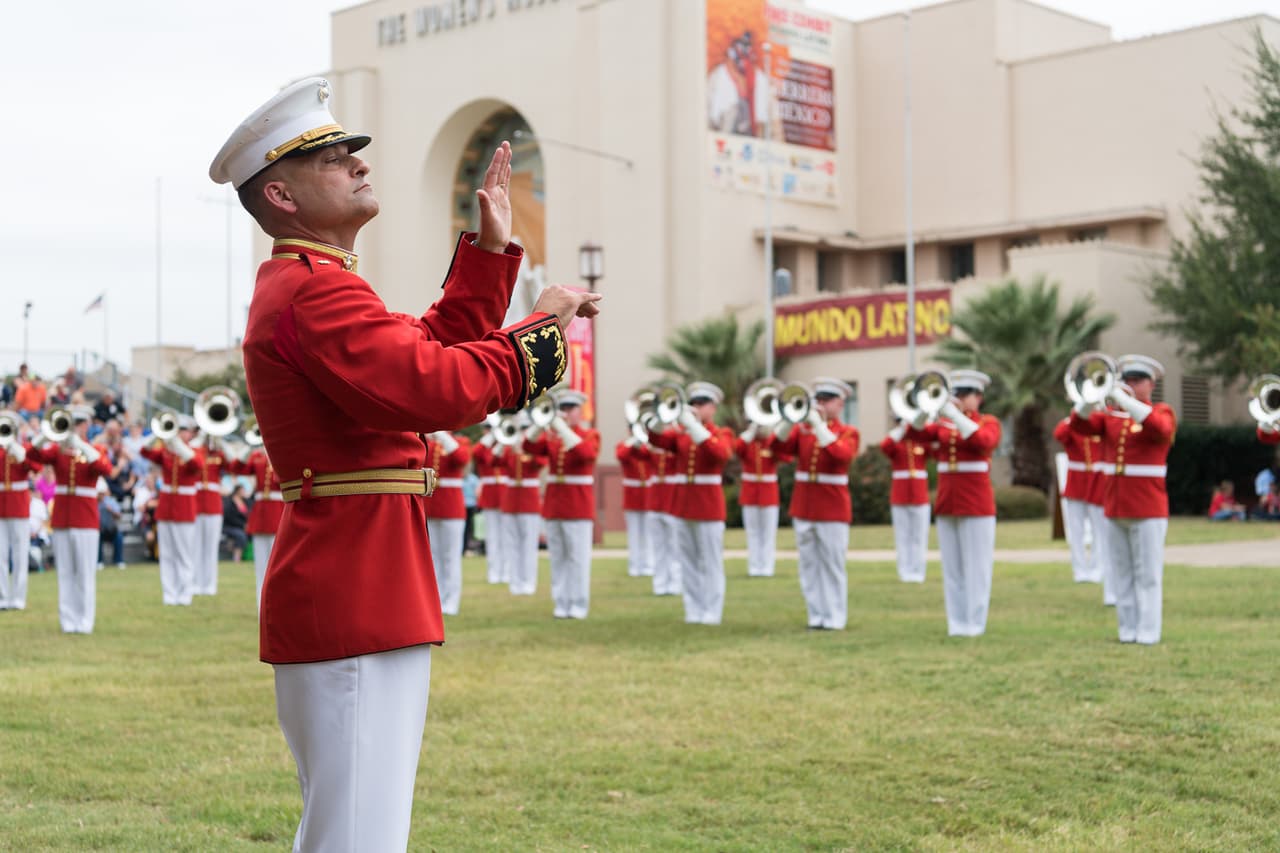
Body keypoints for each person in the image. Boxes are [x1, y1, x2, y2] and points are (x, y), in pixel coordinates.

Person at [210, 76, 597, 851]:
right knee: (359, 836)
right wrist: (544, 330)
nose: (356, 162)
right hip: (355, 583)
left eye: (352, 149)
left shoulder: (318, 283)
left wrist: (489, 256)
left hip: (362, 575)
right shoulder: (310, 292)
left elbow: (423, 350)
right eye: (330, 156)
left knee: (356, 829)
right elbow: (436, 387)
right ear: (280, 195)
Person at [1070, 354, 1176, 645]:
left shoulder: (1161, 412)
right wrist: (1091, 395)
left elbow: (1161, 430)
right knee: (1121, 572)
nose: (1130, 384)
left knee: (1148, 574)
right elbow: (1076, 427)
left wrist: (1125, 400)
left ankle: (1148, 631)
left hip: (1148, 508)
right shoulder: (1109, 418)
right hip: (1115, 505)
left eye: (1137, 380)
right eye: (1126, 379)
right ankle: (1127, 630)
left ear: (1151, 384)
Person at [908, 370, 1002, 637]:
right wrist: (928, 407)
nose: (959, 399)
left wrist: (953, 414)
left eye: (964, 395)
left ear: (979, 397)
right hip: (948, 503)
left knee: (977, 569)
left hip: (976, 504)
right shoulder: (942, 425)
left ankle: (975, 623)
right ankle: (957, 623)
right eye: (955, 394)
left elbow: (984, 441)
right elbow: (912, 434)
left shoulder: (987, 422)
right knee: (953, 569)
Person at [774, 378, 860, 629]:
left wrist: (819, 426)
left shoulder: (847, 432)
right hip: (805, 505)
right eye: (818, 400)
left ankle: (834, 617)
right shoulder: (803, 431)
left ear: (840, 403)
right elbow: (776, 447)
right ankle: (816, 616)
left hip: (832, 507)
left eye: (827, 400)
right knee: (809, 565)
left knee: (832, 565)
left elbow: (841, 456)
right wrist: (791, 420)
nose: (821, 404)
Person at [649, 382, 733, 625]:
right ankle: (694, 610)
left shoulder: (721, 433)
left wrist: (693, 424)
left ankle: (712, 611)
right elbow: (656, 438)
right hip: (683, 505)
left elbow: (720, 455)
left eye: (701, 404)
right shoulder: (681, 435)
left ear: (713, 408)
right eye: (693, 403)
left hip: (708, 507)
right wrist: (660, 414)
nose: (696, 408)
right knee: (688, 562)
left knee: (711, 562)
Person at [30, 406, 112, 633]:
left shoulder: (94, 449)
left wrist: (80, 444)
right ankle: (68, 621)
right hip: (62, 519)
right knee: (65, 572)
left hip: (85, 520)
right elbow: (31, 454)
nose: (74, 427)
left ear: (86, 425)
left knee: (85, 573)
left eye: (78, 423)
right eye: (71, 423)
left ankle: (85, 621)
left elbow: (105, 467)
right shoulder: (58, 452)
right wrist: (48, 434)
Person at [525, 390, 600, 620]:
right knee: (558, 557)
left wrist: (561, 427)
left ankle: (578, 605)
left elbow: (586, 455)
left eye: (570, 409)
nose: (566, 413)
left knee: (577, 559)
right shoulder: (553, 438)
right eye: (563, 408)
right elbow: (528, 445)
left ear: (580, 411)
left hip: (577, 506)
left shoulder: (590, 435)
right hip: (555, 505)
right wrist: (541, 423)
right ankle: (561, 603)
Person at [140, 417, 201, 606]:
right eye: (178, 429)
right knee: (167, 553)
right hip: (166, 507)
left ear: (190, 433)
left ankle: (185, 592)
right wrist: (158, 434)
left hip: (184, 507)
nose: (180, 433)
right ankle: (169, 593)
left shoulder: (194, 451)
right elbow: (144, 450)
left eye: (184, 430)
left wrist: (177, 444)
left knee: (184, 553)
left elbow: (197, 465)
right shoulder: (166, 451)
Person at [226, 444, 283, 612]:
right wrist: (248, 448)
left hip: (278, 510)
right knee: (260, 566)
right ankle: (261, 605)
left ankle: (277, 605)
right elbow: (236, 468)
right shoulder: (257, 456)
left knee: (277, 564)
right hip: (261, 514)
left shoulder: (282, 452)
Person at [422, 430, 472, 616]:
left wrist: (441, 433)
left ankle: (451, 602)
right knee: (433, 557)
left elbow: (462, 459)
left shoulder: (459, 441)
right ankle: (436, 600)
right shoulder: (428, 443)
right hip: (430, 506)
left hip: (452, 508)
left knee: (450, 558)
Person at [734, 416, 790, 578]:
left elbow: (786, 457)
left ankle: (767, 567)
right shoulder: (748, 442)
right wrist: (750, 431)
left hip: (768, 492)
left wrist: (773, 435)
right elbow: (736, 449)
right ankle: (754, 567)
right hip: (750, 492)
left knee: (768, 533)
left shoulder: (771, 443)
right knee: (752, 532)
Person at [1052, 415, 1104, 583]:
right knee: (1076, 532)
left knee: (1099, 531)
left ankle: (1097, 569)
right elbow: (1059, 434)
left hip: (1097, 483)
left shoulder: (1100, 422)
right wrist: (1075, 417)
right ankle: (1080, 570)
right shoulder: (1071, 424)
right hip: (1076, 484)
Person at [880, 418, 931, 583]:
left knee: (919, 536)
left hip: (919, 495)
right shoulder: (897, 442)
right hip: (900, 495)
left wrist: (924, 426)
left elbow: (935, 449)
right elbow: (885, 447)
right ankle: (904, 571)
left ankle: (918, 572)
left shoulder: (921, 442)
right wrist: (900, 430)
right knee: (902, 536)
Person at [503, 413, 548, 596]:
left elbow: (540, 463)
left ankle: (528, 583)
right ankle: (515, 583)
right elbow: (494, 461)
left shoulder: (534, 451)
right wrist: (510, 447)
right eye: (520, 429)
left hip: (529, 501)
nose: (521, 433)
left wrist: (525, 451)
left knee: (529, 545)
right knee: (512, 544)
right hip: (511, 500)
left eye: (524, 429)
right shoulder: (509, 449)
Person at [1, 429, 42, 609]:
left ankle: (18, 597)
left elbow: (36, 467)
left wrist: (15, 449)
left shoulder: (22, 449)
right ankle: (2, 596)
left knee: (20, 554)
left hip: (19, 506)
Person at [646, 431, 682, 596]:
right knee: (658, 547)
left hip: (672, 501)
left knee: (675, 547)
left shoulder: (678, 445)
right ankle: (660, 584)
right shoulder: (653, 450)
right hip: (655, 502)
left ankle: (676, 583)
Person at [615, 432, 655, 579]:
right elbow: (621, 455)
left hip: (648, 495)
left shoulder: (648, 447)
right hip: (632, 496)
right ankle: (635, 566)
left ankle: (648, 565)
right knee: (634, 534)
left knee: (648, 534)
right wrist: (633, 442)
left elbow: (651, 456)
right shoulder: (625, 445)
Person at [192, 430, 227, 595]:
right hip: (197, 503)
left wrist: (219, 441)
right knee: (196, 546)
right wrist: (200, 437)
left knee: (211, 547)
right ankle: (196, 583)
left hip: (213, 504)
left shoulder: (217, 453)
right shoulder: (195, 451)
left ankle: (209, 584)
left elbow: (233, 463)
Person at [470, 429, 507, 582]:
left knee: (506, 537)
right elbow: (476, 453)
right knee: (492, 537)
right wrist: (492, 435)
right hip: (490, 494)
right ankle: (494, 572)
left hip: (505, 493)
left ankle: (506, 572)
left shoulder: (505, 443)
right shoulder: (485, 447)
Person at [97, 479, 126, 569]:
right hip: (99, 530)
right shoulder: (93, 503)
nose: (101, 495)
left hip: (111, 529)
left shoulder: (110, 501)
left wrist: (112, 511)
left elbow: (119, 515)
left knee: (119, 537)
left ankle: (118, 560)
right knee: (96, 537)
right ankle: (99, 561)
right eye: (99, 493)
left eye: (102, 493)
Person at [222, 483, 250, 562]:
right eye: (242, 490)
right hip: (229, 526)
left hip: (242, 527)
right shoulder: (230, 501)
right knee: (240, 535)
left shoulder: (245, 501)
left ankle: (247, 556)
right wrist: (242, 525)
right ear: (237, 491)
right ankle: (236, 557)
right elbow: (229, 517)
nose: (244, 492)